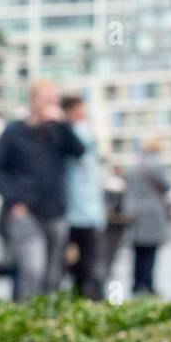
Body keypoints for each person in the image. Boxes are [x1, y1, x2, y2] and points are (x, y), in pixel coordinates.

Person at [0, 80, 85, 300]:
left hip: (56, 211)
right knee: (33, 268)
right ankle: (25, 317)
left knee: (53, 274)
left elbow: (79, 151)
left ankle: (46, 320)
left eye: (54, 100)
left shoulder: (58, 131)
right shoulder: (14, 131)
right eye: (47, 99)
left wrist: (62, 124)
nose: (51, 104)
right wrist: (14, 202)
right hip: (25, 213)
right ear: (33, 101)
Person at [61, 96, 105, 299]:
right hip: (74, 212)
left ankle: (87, 298)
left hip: (85, 212)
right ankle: (86, 298)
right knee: (79, 262)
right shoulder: (69, 133)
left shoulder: (82, 132)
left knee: (86, 262)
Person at [123, 139, 169, 296]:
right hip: (153, 212)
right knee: (150, 251)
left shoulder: (133, 167)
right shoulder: (159, 165)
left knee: (138, 251)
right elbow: (166, 186)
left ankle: (136, 284)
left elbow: (127, 189)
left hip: (134, 212)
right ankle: (148, 285)